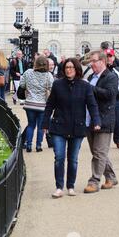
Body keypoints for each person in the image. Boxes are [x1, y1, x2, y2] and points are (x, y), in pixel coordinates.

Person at [43, 58, 101, 198]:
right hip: (59, 126)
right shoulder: (57, 85)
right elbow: (50, 105)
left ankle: (70, 186)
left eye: (71, 67)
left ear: (77, 69)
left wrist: (96, 120)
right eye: (66, 67)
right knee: (59, 157)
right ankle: (59, 187)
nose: (69, 70)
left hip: (77, 127)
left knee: (73, 159)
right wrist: (45, 123)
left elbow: (92, 105)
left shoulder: (85, 86)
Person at [84, 50, 119, 193]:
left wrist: (89, 87)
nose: (91, 64)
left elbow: (110, 95)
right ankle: (111, 177)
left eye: (94, 61)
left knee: (99, 153)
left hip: (104, 119)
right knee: (98, 152)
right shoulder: (91, 76)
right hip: (89, 119)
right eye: (90, 61)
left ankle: (94, 181)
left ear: (102, 62)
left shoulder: (111, 77)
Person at [19, 55, 54, 152]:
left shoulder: (28, 72)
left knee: (31, 125)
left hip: (30, 103)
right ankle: (38, 146)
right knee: (40, 126)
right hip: (42, 105)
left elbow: (22, 84)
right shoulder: (48, 75)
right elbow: (52, 88)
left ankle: (29, 145)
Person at [104, 49, 119, 149]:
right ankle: (102, 141)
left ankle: (118, 140)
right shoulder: (101, 70)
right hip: (104, 98)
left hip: (116, 99)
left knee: (118, 121)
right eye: (107, 56)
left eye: (110, 56)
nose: (108, 58)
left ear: (113, 57)